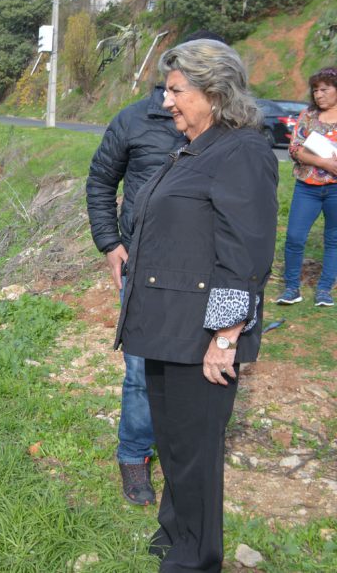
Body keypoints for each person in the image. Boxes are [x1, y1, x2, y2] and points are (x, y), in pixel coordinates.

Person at [116, 40, 277, 571]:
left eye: (177, 91)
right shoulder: (199, 148)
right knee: (176, 447)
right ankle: (174, 535)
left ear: (214, 92)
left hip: (200, 337)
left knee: (194, 458)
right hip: (168, 328)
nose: (166, 102)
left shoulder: (244, 151)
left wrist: (225, 338)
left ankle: (195, 559)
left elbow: (245, 254)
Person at [86, 66, 187, 507]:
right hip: (142, 263)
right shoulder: (133, 120)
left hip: (202, 269)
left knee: (191, 367)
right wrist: (110, 244)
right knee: (141, 372)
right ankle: (133, 455)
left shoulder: (230, 127)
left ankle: (184, 454)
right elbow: (101, 182)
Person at [275, 67, 337, 308]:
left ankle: (324, 290)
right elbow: (294, 149)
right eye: (315, 90)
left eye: (325, 89)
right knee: (294, 237)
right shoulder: (308, 116)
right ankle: (292, 288)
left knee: (333, 240)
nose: (319, 95)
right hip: (307, 188)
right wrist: (324, 163)